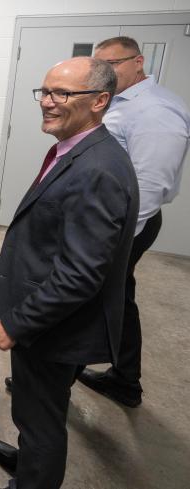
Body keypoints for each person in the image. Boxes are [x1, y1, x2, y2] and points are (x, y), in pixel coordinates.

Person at [0, 57, 138, 489]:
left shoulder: (98, 168)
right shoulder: (78, 149)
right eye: (44, 91)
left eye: (62, 94)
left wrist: (17, 324)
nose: (47, 102)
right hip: (49, 320)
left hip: (53, 327)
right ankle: (29, 462)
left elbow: (80, 274)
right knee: (39, 407)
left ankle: (33, 475)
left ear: (100, 101)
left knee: (39, 418)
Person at [75, 36, 190, 407]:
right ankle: (125, 380)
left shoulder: (156, 111)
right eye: (99, 66)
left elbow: (149, 186)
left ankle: (56, 377)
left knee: (84, 296)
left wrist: (114, 241)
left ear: (138, 62)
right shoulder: (117, 101)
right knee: (117, 296)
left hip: (121, 224)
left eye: (113, 64)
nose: (104, 73)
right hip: (104, 218)